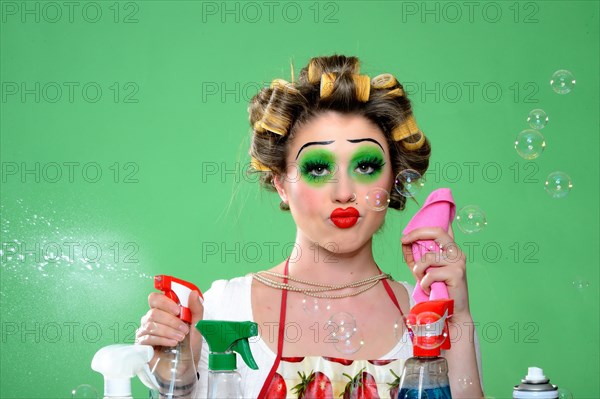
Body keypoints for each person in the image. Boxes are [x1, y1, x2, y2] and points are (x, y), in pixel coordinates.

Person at [136, 54, 484, 398]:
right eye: (318, 168)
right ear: (280, 183)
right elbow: (174, 383)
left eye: (365, 167)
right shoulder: (221, 311)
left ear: (394, 178)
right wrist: (177, 372)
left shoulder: (431, 318)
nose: (345, 192)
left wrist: (459, 321)